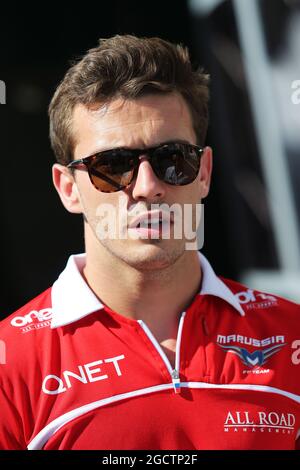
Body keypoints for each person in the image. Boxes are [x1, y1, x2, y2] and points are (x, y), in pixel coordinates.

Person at [0, 35, 299, 451]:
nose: (147, 187)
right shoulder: (9, 362)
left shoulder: (291, 335)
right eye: (113, 165)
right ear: (68, 188)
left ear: (205, 172)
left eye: (173, 159)